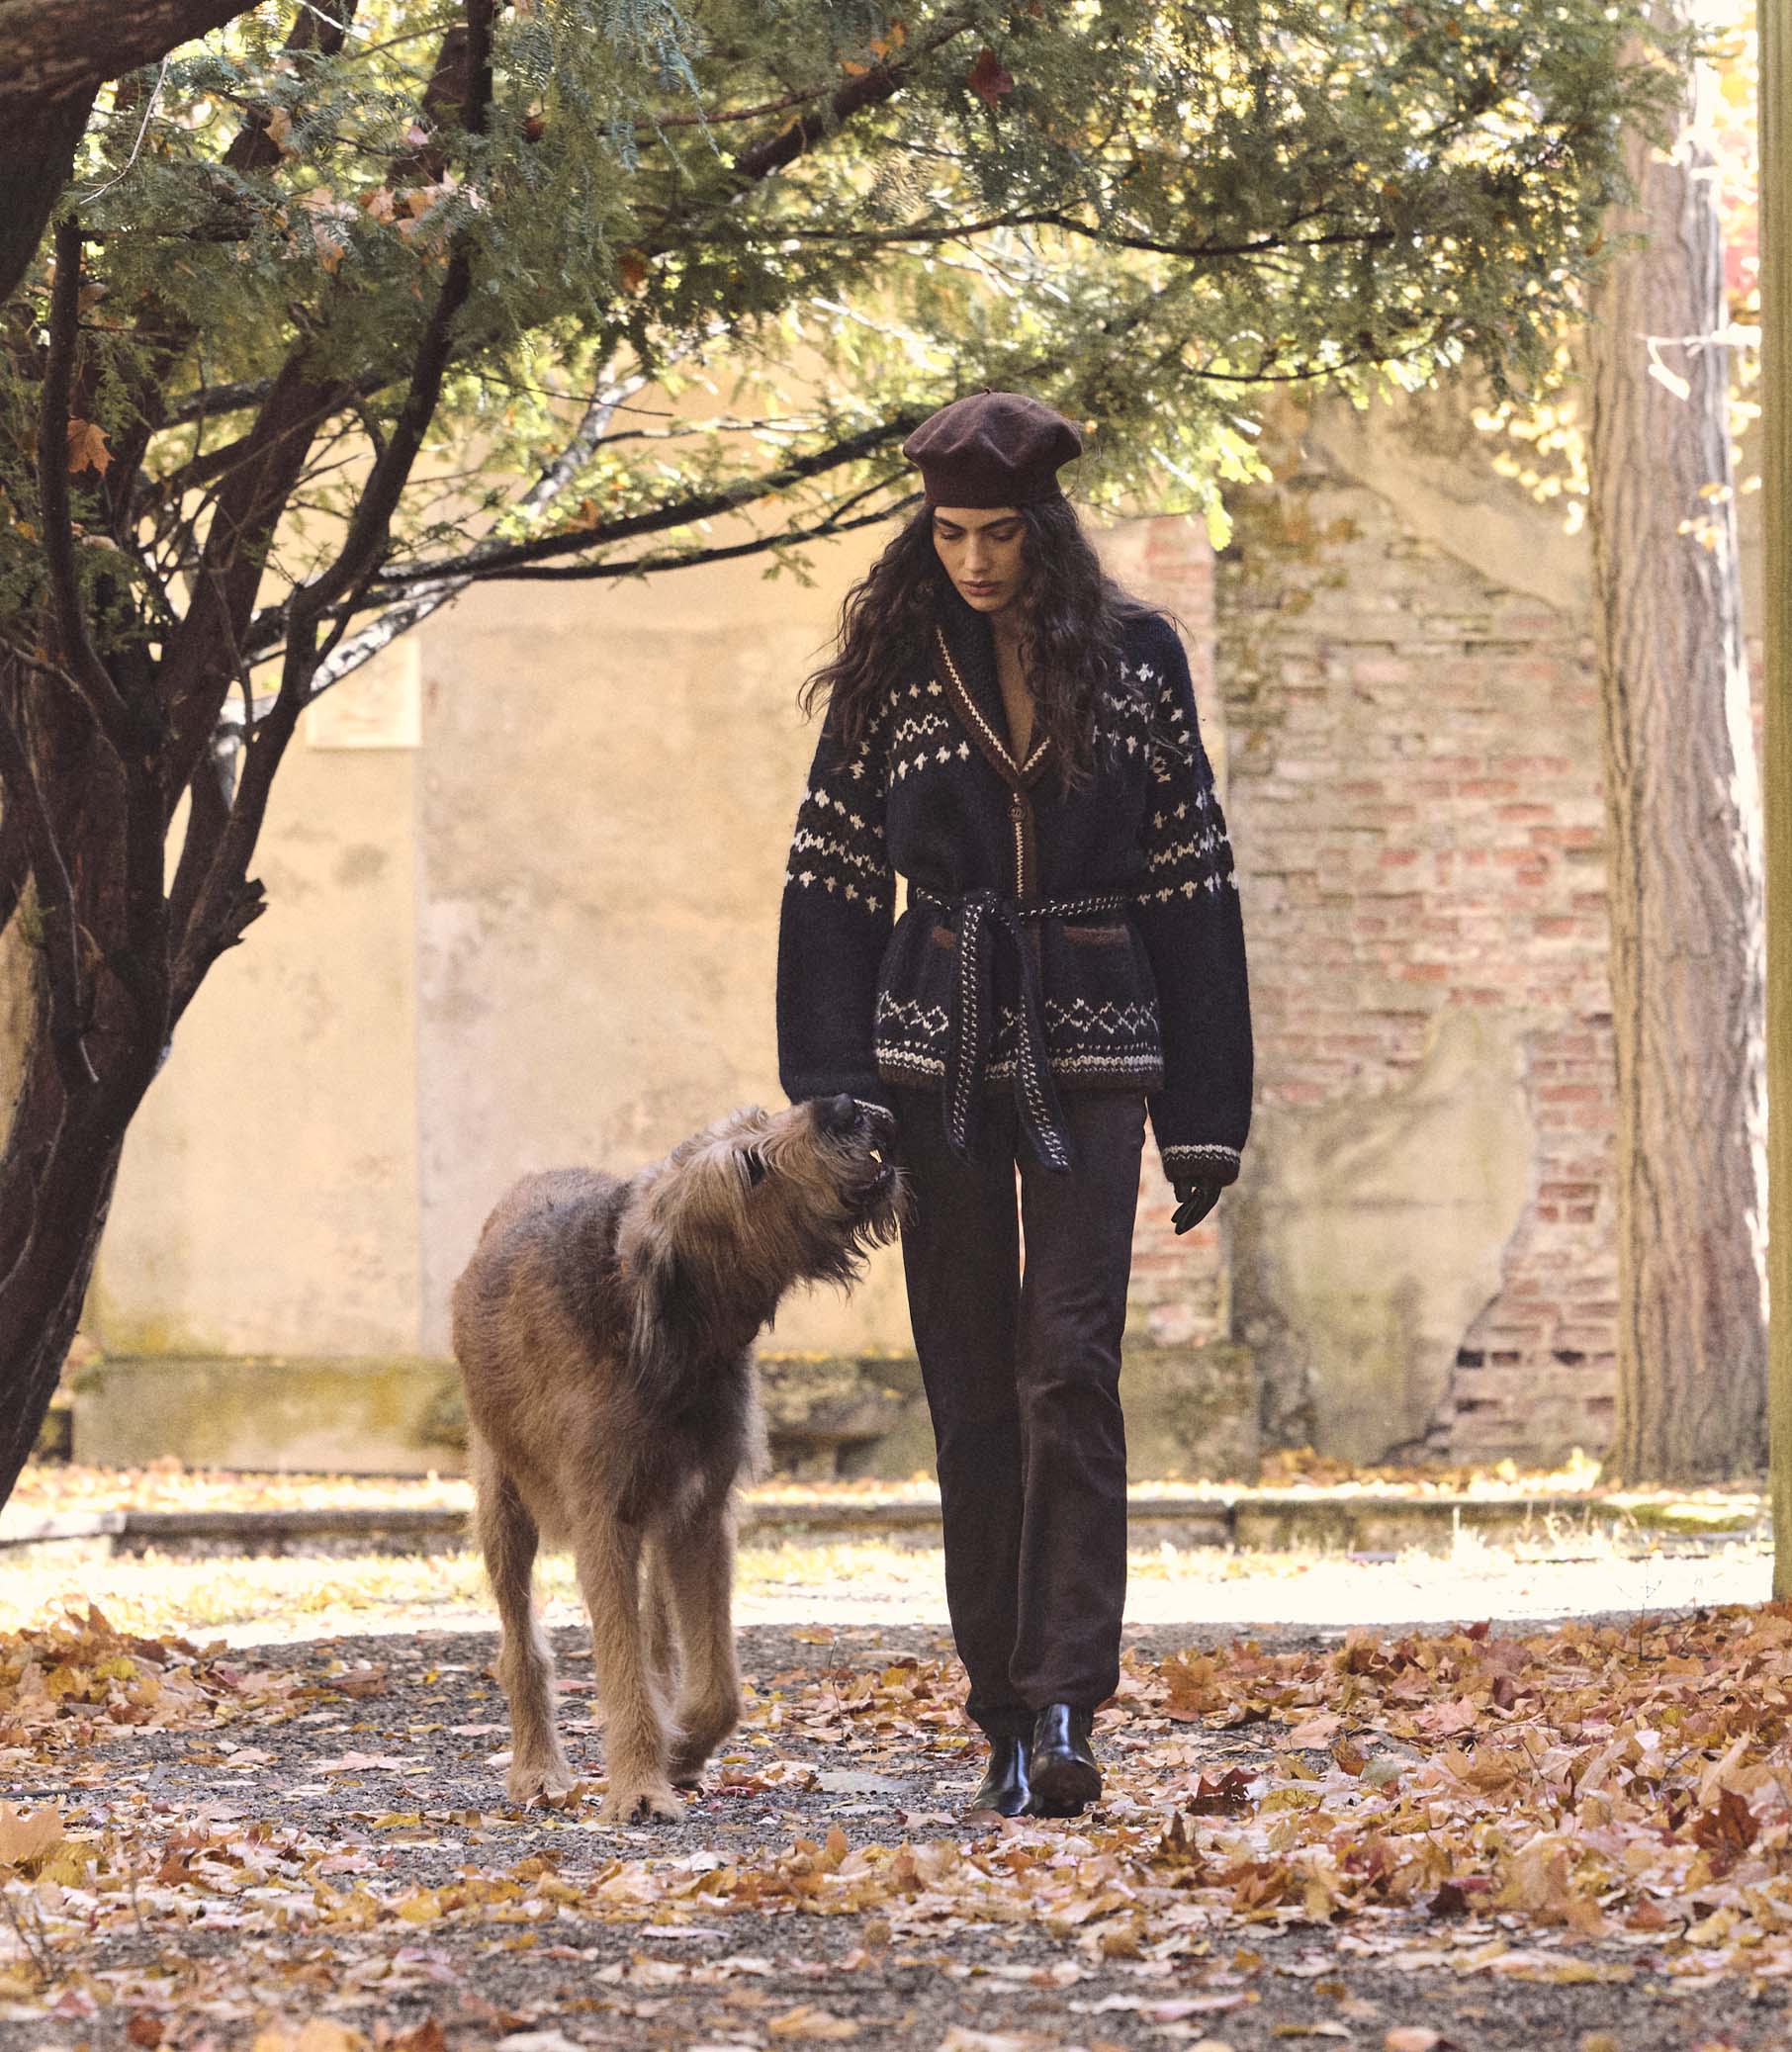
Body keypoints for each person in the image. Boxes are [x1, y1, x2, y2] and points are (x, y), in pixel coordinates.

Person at [774, 391, 1252, 1818]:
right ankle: (996, 1704)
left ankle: (1065, 1708)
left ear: (1043, 528)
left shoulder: (1139, 664)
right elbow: (832, 887)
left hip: (1100, 1044)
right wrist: (835, 1094)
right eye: (950, 531)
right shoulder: (892, 671)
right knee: (972, 1390)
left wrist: (1208, 1110)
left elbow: (1193, 886)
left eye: (996, 533)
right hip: (939, 1056)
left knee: (1071, 1369)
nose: (973, 558)